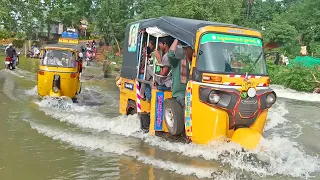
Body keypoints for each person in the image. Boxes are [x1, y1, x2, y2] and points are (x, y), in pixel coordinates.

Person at [168, 39, 193, 107]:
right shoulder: (178, 61)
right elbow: (170, 55)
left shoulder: (195, 62)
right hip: (180, 95)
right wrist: (176, 39)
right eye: (191, 49)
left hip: (193, 94)